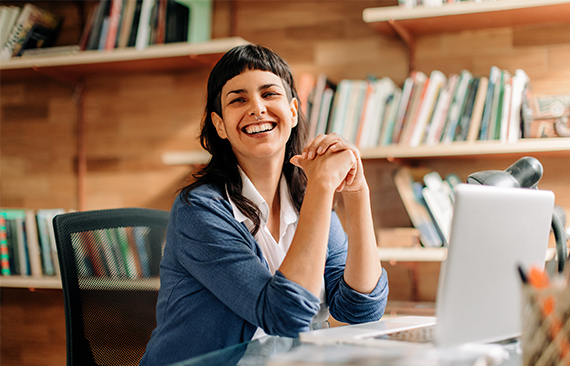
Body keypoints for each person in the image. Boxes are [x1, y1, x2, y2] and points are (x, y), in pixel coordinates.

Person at [140, 44, 388, 365]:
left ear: (294, 111)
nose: (257, 108)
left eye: (270, 94)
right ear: (219, 125)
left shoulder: (304, 201)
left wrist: (357, 192)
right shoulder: (198, 210)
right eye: (238, 99)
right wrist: (322, 186)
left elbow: (361, 310)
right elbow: (285, 316)